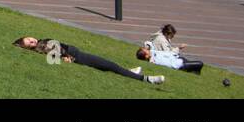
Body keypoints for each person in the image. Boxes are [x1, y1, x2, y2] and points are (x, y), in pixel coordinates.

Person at [13, 37, 163, 84]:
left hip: (79, 55)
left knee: (110, 66)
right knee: (110, 65)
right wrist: (66, 57)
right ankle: (146, 79)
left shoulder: (42, 42)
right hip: (80, 58)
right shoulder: (41, 46)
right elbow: (55, 54)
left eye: (29, 39)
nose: (33, 41)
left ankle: (129, 72)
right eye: (29, 44)